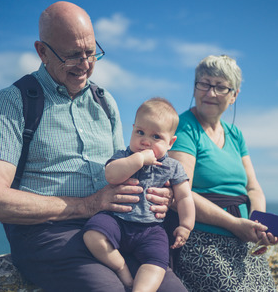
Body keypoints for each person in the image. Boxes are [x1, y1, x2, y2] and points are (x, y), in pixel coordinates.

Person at [0, 1, 187, 292]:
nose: (86, 64)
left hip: (115, 226)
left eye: (91, 52)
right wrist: (88, 205)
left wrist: (163, 196)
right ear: (42, 52)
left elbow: (126, 168)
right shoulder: (13, 101)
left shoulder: (105, 101)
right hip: (47, 233)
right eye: (73, 55)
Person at [168, 55, 278, 291]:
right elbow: (179, 192)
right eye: (205, 84)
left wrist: (257, 224)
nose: (210, 93)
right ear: (195, 86)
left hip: (242, 239)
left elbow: (253, 187)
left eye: (220, 87)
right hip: (201, 241)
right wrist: (233, 224)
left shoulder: (235, 134)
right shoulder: (183, 127)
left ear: (234, 95)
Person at [83, 98, 195, 292]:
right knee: (93, 234)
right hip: (117, 220)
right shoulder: (124, 156)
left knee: (157, 263)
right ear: (132, 129)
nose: (145, 141)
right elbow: (111, 174)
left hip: (151, 229)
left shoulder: (173, 167)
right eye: (140, 132)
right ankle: (121, 267)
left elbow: (185, 196)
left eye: (156, 137)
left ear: (170, 142)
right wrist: (139, 159)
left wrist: (185, 225)